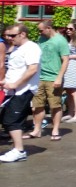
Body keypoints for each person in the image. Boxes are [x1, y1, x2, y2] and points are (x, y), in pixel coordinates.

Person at [1, 24, 40, 163]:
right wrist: (6, 82)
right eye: (8, 35)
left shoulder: (31, 48)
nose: (9, 38)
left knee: (12, 120)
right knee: (6, 119)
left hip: (23, 90)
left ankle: (19, 151)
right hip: (12, 90)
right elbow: (14, 68)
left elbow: (32, 69)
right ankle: (16, 149)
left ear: (22, 34)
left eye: (12, 35)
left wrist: (16, 84)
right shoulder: (18, 48)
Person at [26, 20, 69, 141]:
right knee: (37, 105)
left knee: (55, 105)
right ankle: (37, 129)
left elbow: (65, 60)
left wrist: (59, 77)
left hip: (53, 78)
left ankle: (55, 130)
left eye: (41, 30)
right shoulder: (41, 39)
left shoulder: (61, 40)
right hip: (39, 77)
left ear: (49, 28)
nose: (39, 32)